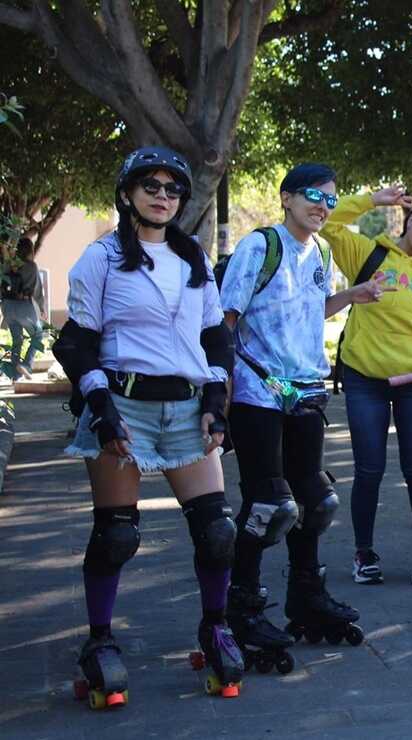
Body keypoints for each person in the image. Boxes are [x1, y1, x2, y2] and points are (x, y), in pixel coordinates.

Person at [54, 147, 243, 703]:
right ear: (128, 193)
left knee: (217, 531)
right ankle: (99, 641)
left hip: (187, 407)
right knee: (116, 535)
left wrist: (216, 397)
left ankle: (215, 627)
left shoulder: (195, 259)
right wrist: (101, 407)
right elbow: (77, 342)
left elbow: (215, 336)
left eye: (173, 188)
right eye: (151, 186)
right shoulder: (103, 257)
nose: (163, 195)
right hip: (124, 403)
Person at [222, 163, 389, 655]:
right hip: (258, 394)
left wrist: (352, 296)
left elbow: (310, 310)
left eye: (331, 200)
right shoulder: (260, 246)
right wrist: (221, 388)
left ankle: (306, 596)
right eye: (313, 196)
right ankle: (242, 607)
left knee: (314, 502)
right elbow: (225, 320)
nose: (322, 206)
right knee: (268, 505)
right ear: (287, 198)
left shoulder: (318, 250)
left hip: (307, 391)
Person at [319, 184, 412, 586]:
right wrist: (372, 201)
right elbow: (327, 221)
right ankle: (363, 553)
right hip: (365, 379)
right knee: (369, 470)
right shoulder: (370, 254)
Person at [3, 236, 46, 378]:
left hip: (7, 307)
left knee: (17, 340)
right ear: (30, 250)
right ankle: (25, 365)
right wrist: (42, 307)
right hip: (24, 307)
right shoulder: (31, 266)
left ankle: (15, 376)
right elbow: (37, 291)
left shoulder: (8, 265)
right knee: (38, 335)